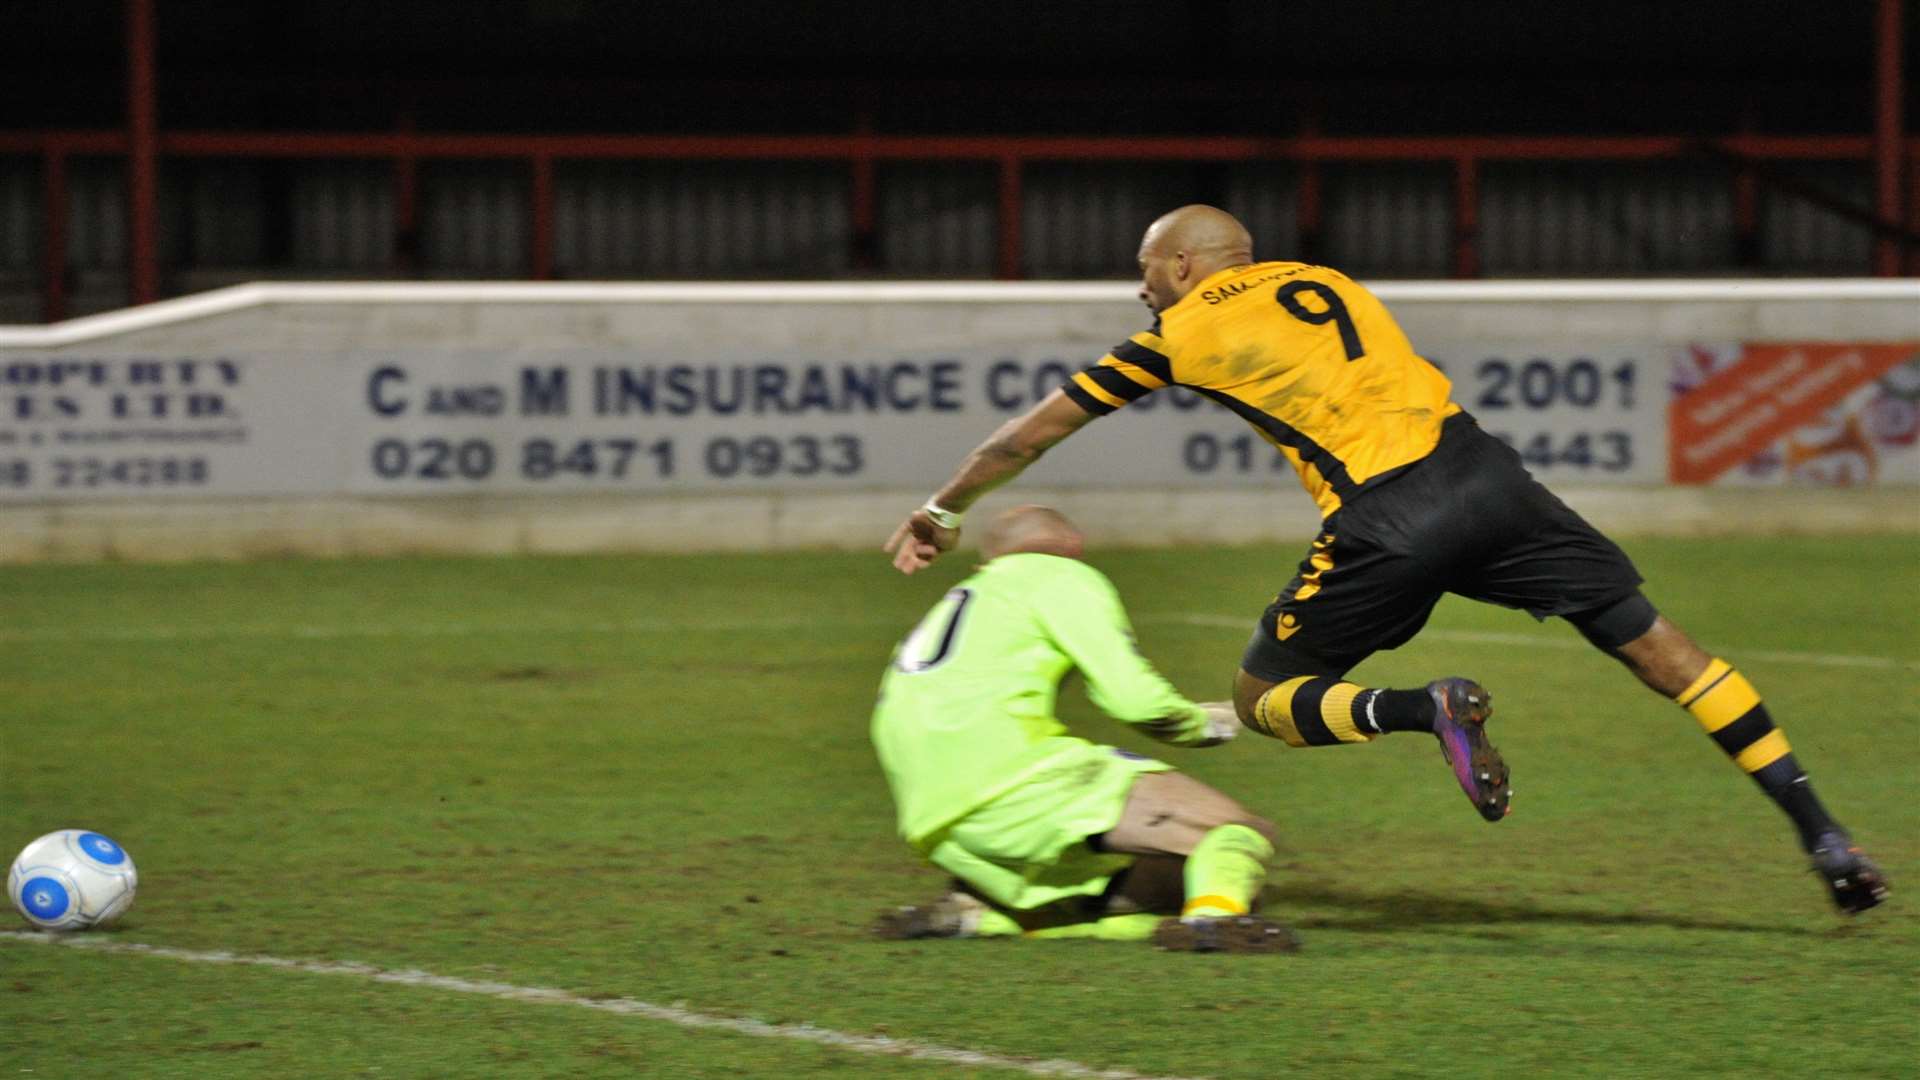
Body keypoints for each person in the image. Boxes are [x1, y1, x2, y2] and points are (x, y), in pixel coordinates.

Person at [883, 204, 1888, 916]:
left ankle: (1424, 708)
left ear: (1188, 266)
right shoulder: (1326, 280)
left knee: (1268, 694)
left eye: (1147, 267)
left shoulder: (1181, 331)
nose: (1141, 285)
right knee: (1668, 655)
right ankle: (1823, 835)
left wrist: (941, 507)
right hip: (1489, 475)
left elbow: (1029, 438)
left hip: (1389, 516)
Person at [870, 504, 1297, 952]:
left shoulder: (969, 596)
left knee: (1171, 883)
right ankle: (1216, 925)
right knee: (1231, 832)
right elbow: (1135, 700)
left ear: (988, 560)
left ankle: (985, 914)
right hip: (1013, 779)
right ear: (1073, 549)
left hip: (929, 815)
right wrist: (1211, 723)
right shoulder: (1058, 576)